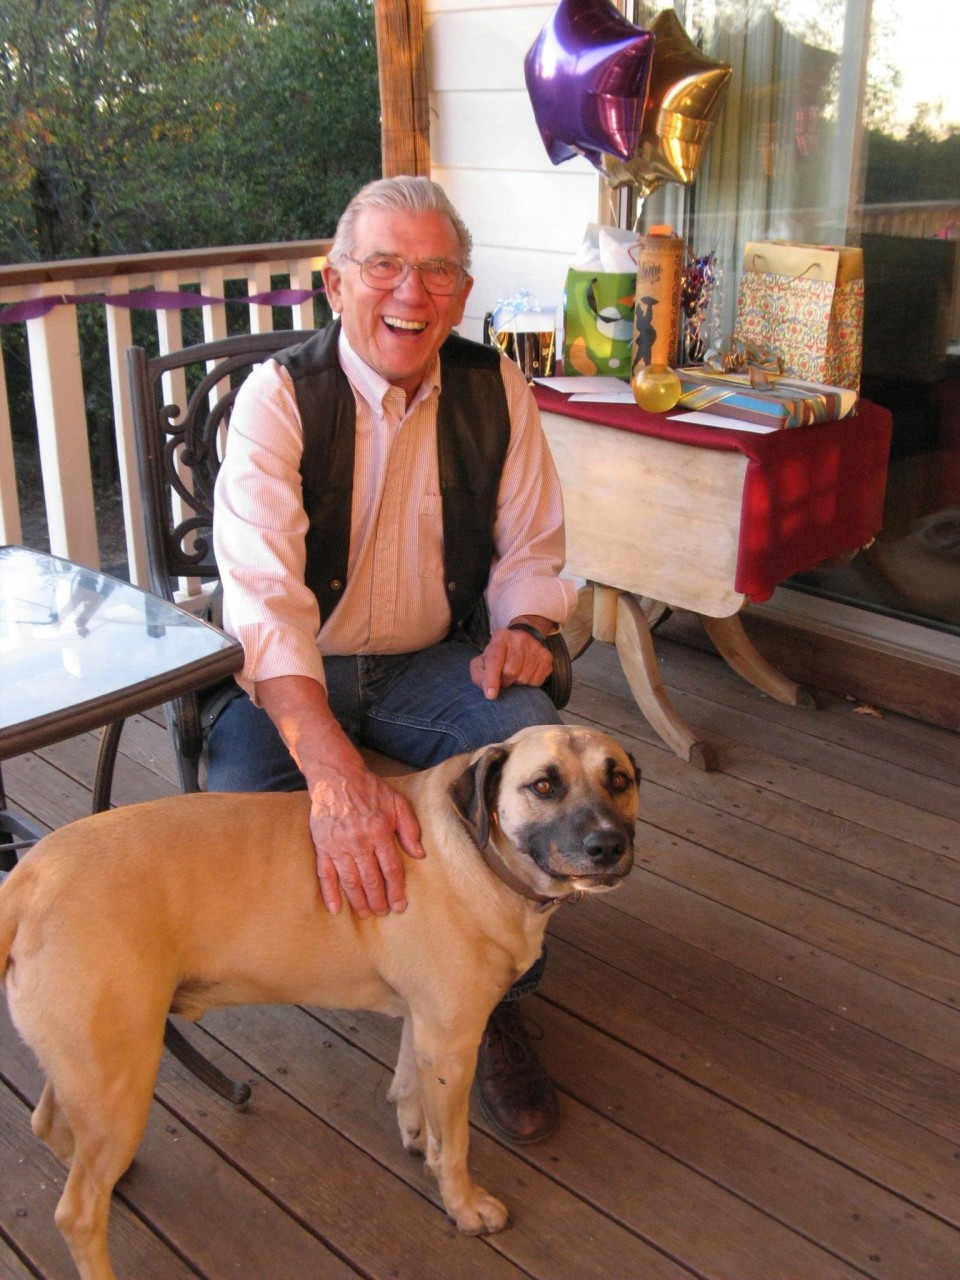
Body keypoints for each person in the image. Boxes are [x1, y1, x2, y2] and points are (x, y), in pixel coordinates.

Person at [207, 175, 577, 1143]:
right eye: (384, 265)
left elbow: (532, 550)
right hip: (296, 675)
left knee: (530, 746)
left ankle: (494, 993)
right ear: (336, 282)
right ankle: (378, 965)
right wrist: (331, 766)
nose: (411, 291)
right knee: (246, 799)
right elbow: (263, 603)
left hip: (431, 664)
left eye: (437, 270)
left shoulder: (496, 386)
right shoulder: (279, 397)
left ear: (462, 292)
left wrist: (525, 628)